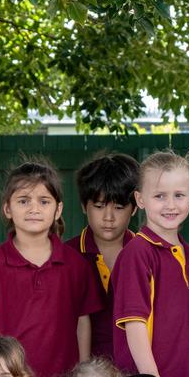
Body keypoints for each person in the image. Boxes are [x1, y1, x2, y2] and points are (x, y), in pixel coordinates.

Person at [0, 160, 102, 377]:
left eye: (44, 201)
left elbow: (82, 324)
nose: (34, 208)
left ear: (58, 209)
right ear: (7, 208)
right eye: (23, 201)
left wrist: (82, 376)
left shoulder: (75, 264)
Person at [111, 151, 189, 377]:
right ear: (140, 200)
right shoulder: (138, 253)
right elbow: (135, 325)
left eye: (179, 195)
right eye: (160, 196)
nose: (170, 204)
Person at [68, 153, 139, 359]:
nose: (108, 217)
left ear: (134, 207)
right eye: (98, 207)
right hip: (82, 376)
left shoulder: (146, 255)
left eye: (118, 207)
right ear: (83, 206)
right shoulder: (66, 256)